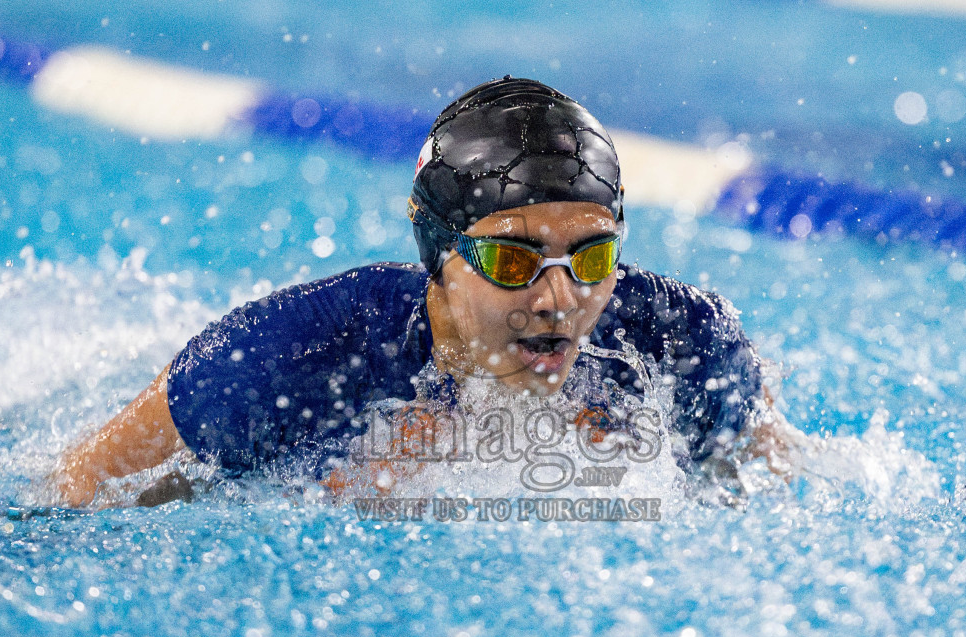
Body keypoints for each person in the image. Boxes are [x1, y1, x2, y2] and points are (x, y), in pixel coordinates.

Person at [47, 77, 802, 508]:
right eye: (513, 260)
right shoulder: (286, 357)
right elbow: (82, 483)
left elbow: (771, 490)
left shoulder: (681, 342)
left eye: (593, 255)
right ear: (441, 255)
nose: (559, 299)